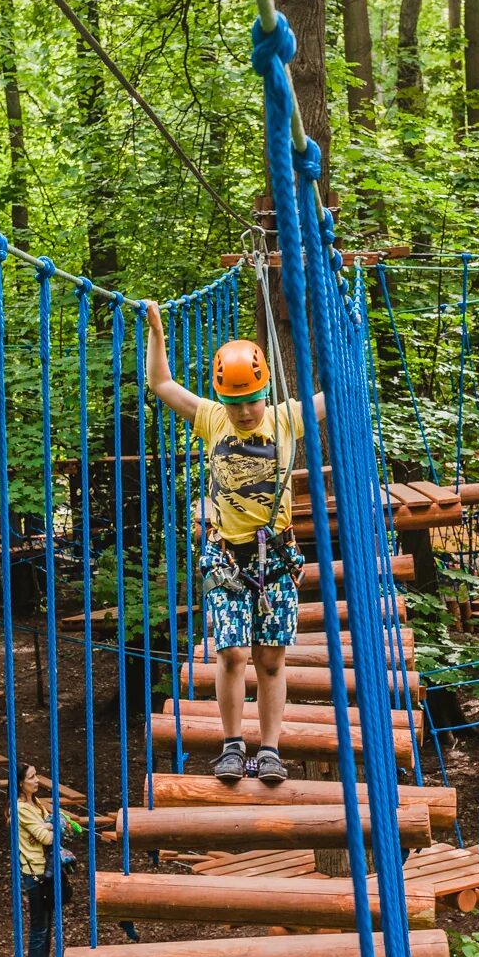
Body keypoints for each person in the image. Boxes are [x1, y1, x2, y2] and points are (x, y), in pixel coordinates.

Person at [144, 301, 325, 785]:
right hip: (226, 556)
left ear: (266, 393)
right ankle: (231, 744)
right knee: (231, 654)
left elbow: (343, 391)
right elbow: (161, 384)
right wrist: (157, 332)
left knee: (269, 659)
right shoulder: (210, 419)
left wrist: (334, 317)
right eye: (236, 402)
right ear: (222, 399)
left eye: (253, 400)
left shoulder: (286, 418)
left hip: (279, 558)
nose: (245, 412)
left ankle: (268, 749)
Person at [14, 761, 80, 957]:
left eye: (36, 775)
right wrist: (51, 827)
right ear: (20, 784)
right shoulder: (20, 808)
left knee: (46, 927)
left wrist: (49, 826)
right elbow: (48, 838)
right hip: (35, 874)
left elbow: (59, 826)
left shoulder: (37, 804)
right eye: (31, 777)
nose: (37, 780)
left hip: (48, 871)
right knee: (39, 929)